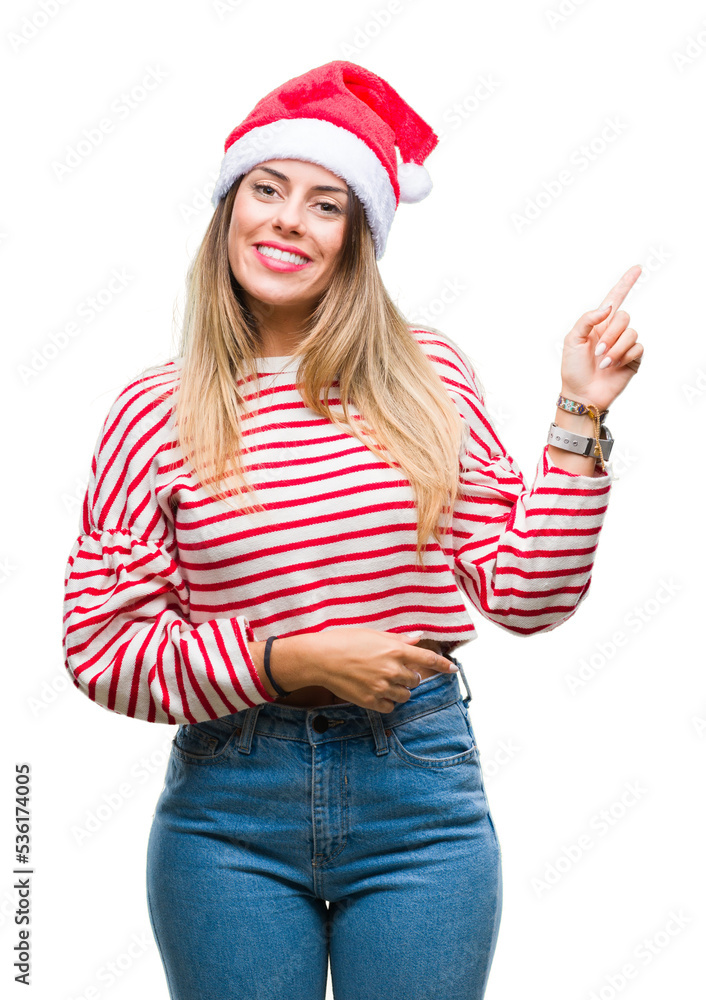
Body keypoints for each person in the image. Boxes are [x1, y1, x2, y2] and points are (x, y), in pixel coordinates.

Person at [61, 60, 643, 1000]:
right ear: (230, 211)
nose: (289, 219)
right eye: (268, 189)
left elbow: (529, 597)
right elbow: (101, 648)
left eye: (327, 204)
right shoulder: (153, 412)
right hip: (228, 812)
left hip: (417, 797)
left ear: (356, 240)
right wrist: (291, 659)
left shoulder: (428, 377)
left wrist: (578, 411)